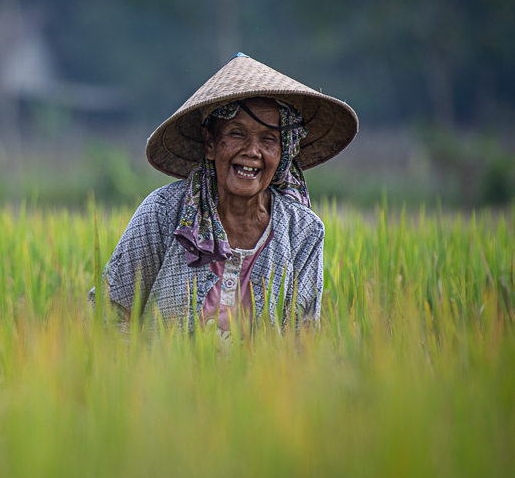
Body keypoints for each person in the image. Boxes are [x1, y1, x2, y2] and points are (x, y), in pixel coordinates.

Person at [88, 53, 358, 335]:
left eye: (268, 139)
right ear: (210, 143)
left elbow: (302, 339)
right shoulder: (163, 211)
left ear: (284, 153)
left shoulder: (303, 230)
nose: (252, 151)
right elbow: (108, 314)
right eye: (237, 134)